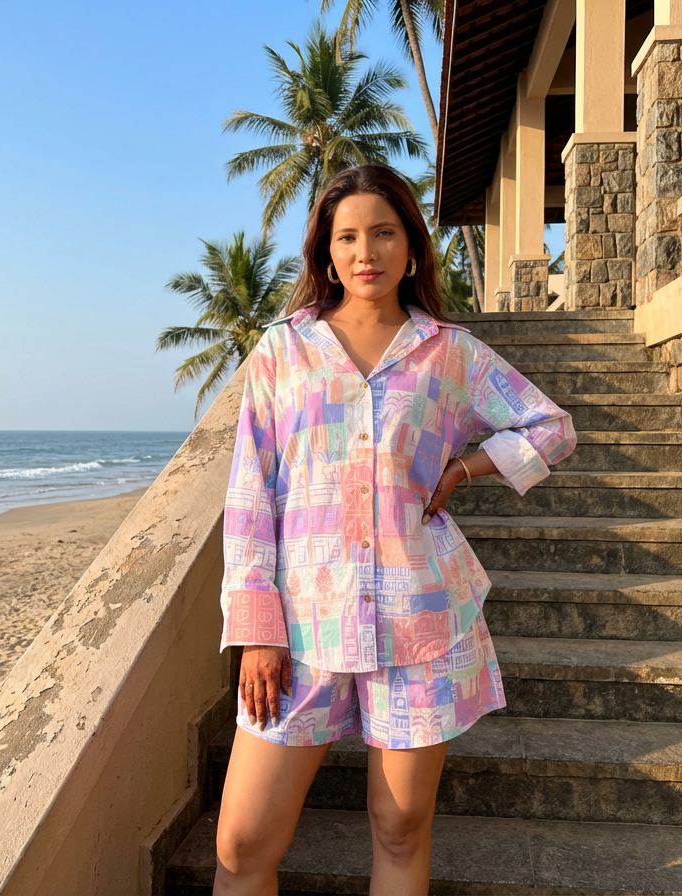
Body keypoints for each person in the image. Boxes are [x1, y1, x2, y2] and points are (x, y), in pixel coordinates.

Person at [214, 164, 576, 896]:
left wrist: (467, 467)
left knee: (401, 828)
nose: (365, 252)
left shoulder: (450, 353)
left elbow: (551, 427)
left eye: (383, 233)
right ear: (325, 253)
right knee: (241, 843)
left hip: (419, 619)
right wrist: (257, 629)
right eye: (347, 237)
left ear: (411, 246)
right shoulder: (284, 351)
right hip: (302, 626)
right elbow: (252, 493)